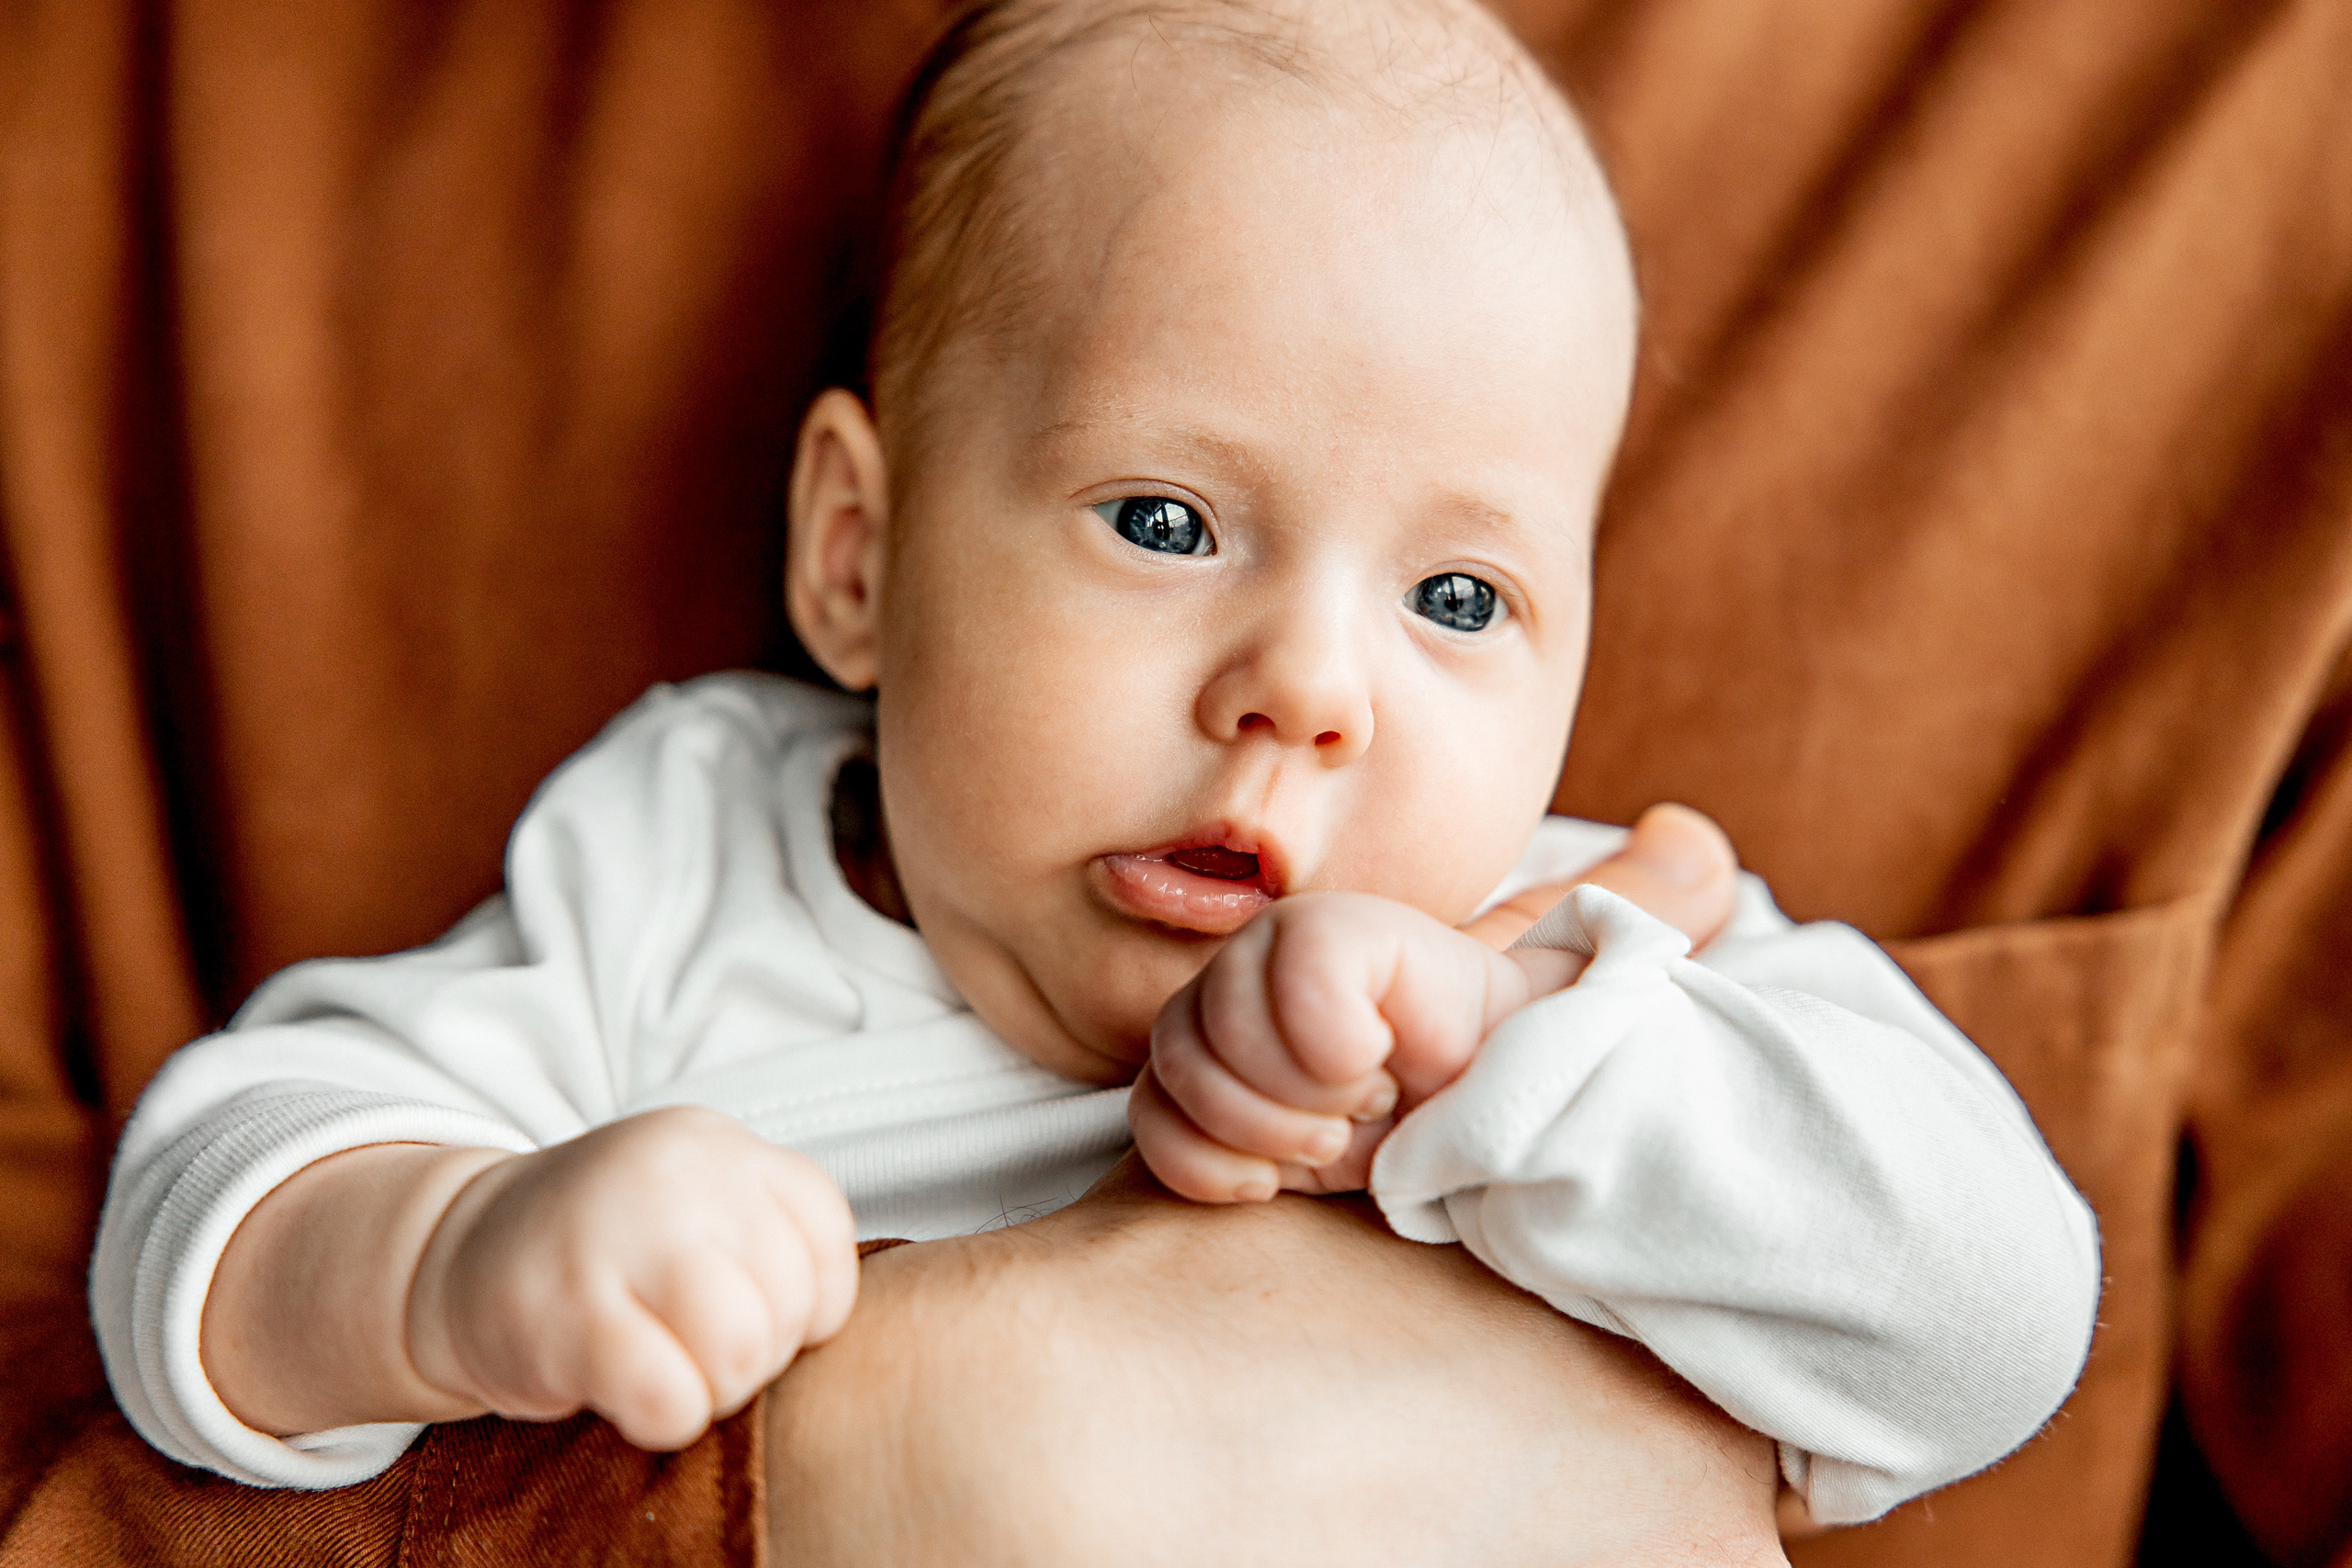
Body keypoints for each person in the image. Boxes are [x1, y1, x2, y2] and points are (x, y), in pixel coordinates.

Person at [88, 0, 2096, 1535]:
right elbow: (218, 1178)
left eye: (1457, 597)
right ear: (856, 558)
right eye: (1164, 521)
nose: (1307, 689)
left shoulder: (1590, 958)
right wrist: (451, 1256)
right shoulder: (695, 862)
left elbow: (1994, 1321)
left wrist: (1517, 1055)